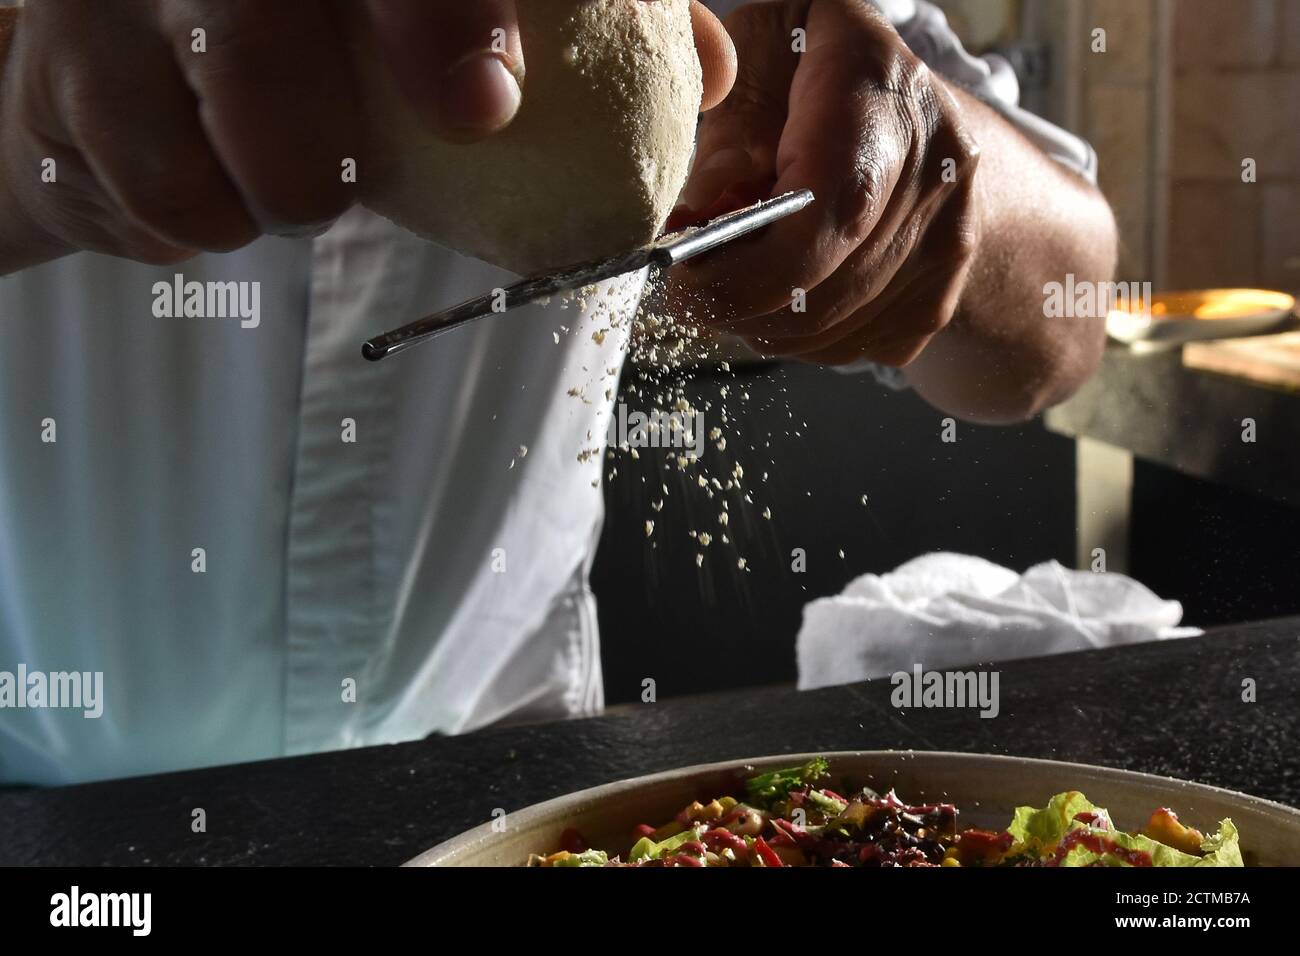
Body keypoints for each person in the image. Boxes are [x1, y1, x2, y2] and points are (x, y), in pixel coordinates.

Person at [0, 0, 1115, 785]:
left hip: (508, 786)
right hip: (50, 806)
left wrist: (939, 181)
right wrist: (26, 162)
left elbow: (1065, 321)